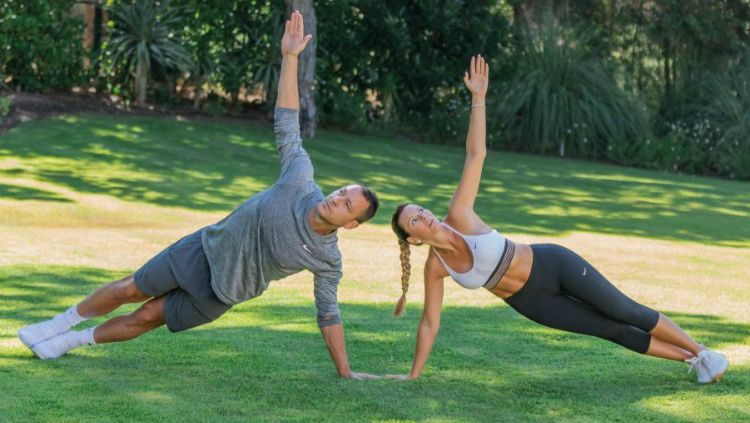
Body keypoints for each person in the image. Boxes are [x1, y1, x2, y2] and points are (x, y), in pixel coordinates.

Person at [18, 11, 380, 380]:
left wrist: (346, 371)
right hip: (202, 250)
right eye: (340, 193)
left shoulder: (327, 259)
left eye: (346, 204)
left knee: (145, 317)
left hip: (222, 293)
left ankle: (69, 343)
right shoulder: (300, 179)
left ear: (350, 224)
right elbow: (287, 121)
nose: (336, 199)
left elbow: (328, 312)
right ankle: (53, 326)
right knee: (130, 288)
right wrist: (289, 58)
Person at [386, 55, 728, 384]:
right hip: (532, 302)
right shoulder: (436, 267)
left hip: (552, 265)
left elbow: (477, 154)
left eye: (420, 210)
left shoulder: (459, 213)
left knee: (626, 311)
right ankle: (695, 362)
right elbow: (430, 323)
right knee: (610, 330)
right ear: (413, 239)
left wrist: (478, 98)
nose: (423, 217)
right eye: (414, 221)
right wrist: (413, 374)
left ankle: (703, 351)